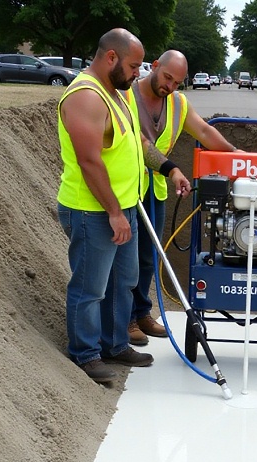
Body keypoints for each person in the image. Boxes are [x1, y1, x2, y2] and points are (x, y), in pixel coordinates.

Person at [56, 29, 191, 383]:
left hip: (124, 206)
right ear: (111, 58)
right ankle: (85, 353)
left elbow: (141, 144)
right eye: (134, 66)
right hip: (93, 211)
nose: (138, 73)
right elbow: (89, 162)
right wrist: (114, 213)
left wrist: (169, 168)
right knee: (90, 287)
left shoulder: (119, 94)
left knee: (124, 280)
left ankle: (114, 344)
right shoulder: (87, 97)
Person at [128, 49, 239, 346]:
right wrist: (173, 170)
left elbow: (203, 130)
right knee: (126, 259)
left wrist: (234, 154)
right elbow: (139, 144)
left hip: (155, 190)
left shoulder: (177, 103)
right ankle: (125, 320)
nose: (170, 87)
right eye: (167, 78)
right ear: (154, 67)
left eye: (177, 83)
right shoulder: (126, 96)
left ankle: (142, 313)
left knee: (149, 257)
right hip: (127, 189)